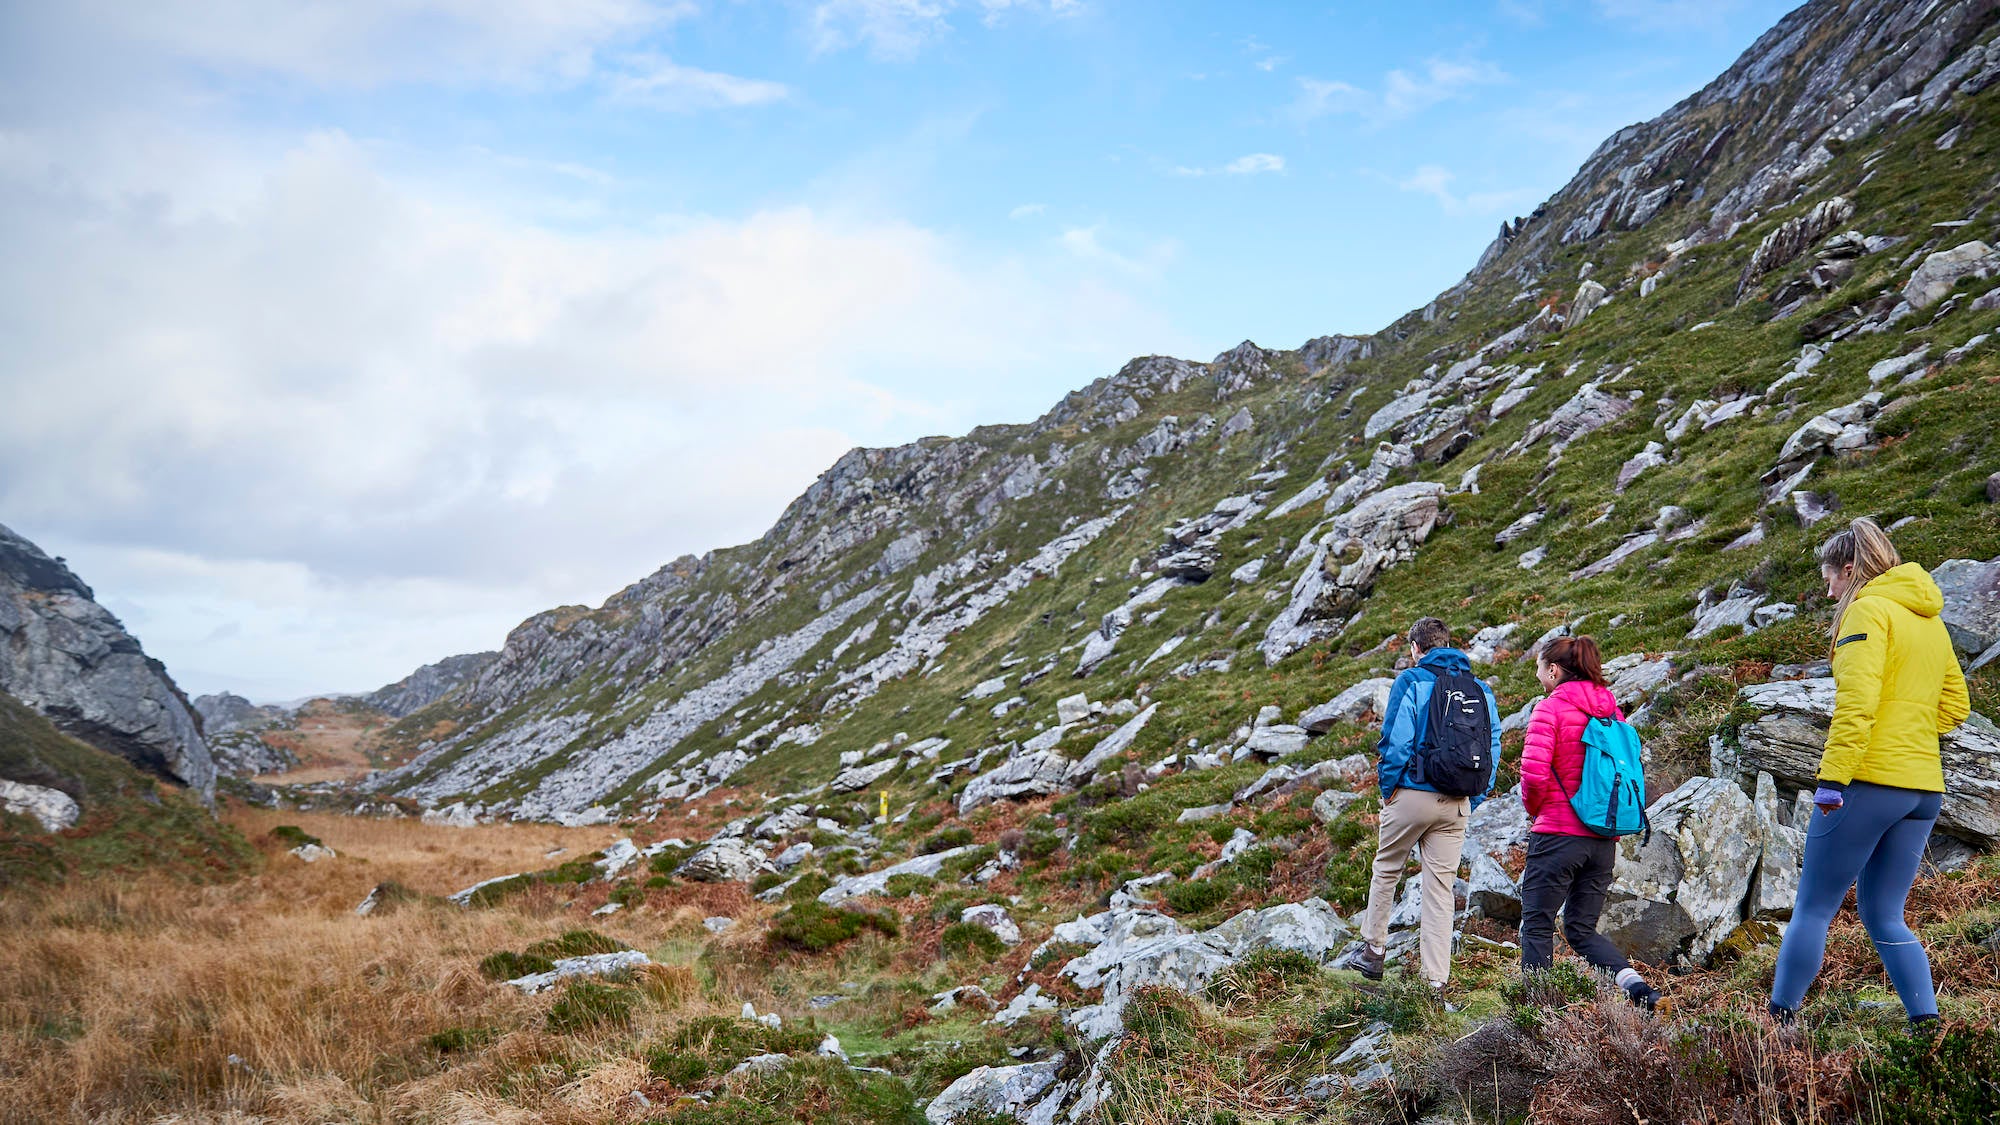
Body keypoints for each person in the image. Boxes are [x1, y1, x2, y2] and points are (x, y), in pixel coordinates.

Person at [1769, 517, 1969, 1027]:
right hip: (1922, 789)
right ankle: (1927, 1025)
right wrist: (1909, 734)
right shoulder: (1929, 621)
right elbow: (1956, 707)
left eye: (1830, 577)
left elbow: (1856, 706)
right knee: (1884, 914)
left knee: (1813, 907)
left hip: (1868, 782)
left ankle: (1777, 1023)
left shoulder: (1867, 612)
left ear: (1851, 568)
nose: (1828, 588)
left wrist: (1833, 780)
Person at [1519, 635, 1664, 1010]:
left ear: (1553, 670)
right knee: (1580, 930)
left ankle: (1537, 1017)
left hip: (1557, 836)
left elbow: (1533, 778)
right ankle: (1637, 988)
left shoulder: (1549, 710)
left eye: (1539, 668)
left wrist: (1537, 812)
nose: (1538, 676)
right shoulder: (1612, 712)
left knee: (1537, 925)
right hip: (1602, 840)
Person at [1355, 616, 1501, 987]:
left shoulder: (1411, 680)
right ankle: (1435, 981)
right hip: (1457, 802)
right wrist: (1476, 795)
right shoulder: (1479, 689)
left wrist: (1388, 789)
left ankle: (1373, 952)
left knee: (1387, 868)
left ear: (1416, 649)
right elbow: (1493, 747)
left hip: (1412, 795)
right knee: (1440, 889)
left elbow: (1396, 741)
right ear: (1449, 643)